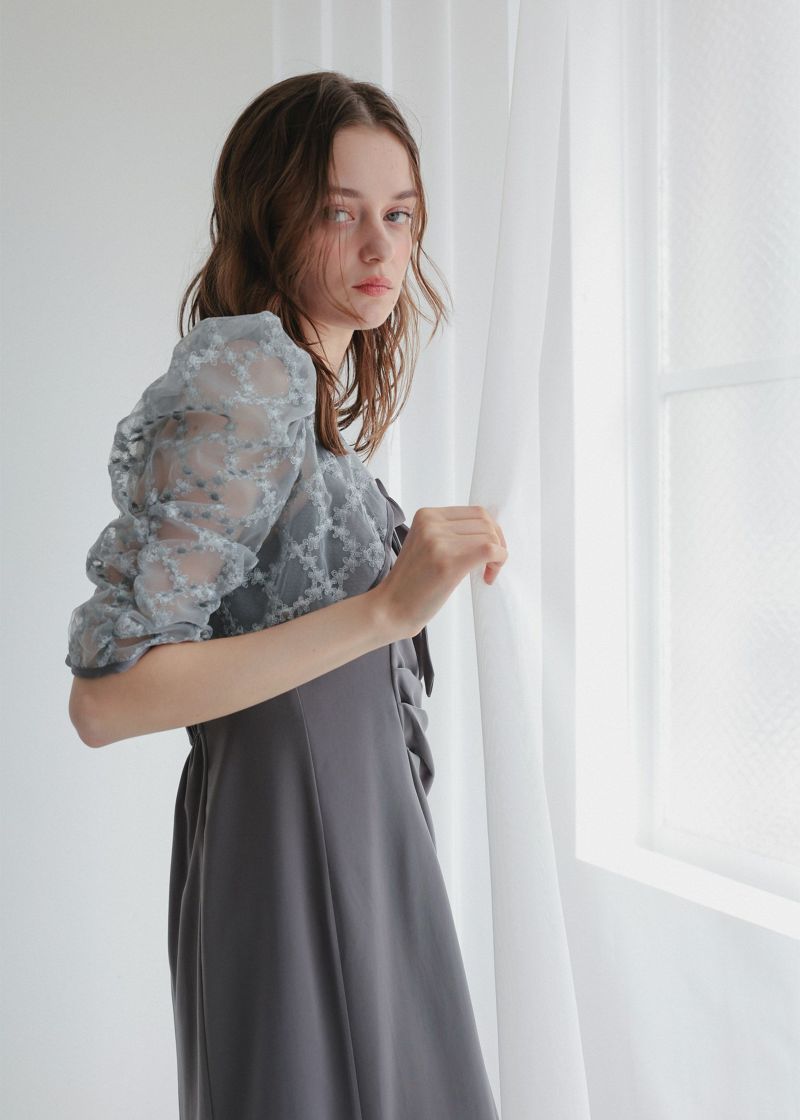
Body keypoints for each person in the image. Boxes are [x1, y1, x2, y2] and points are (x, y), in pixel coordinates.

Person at [66, 71, 507, 1120]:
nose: (379, 248)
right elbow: (106, 700)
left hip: (362, 841)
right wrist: (386, 610)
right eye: (339, 212)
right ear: (271, 218)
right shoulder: (251, 376)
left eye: (399, 215)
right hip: (292, 850)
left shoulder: (301, 398)